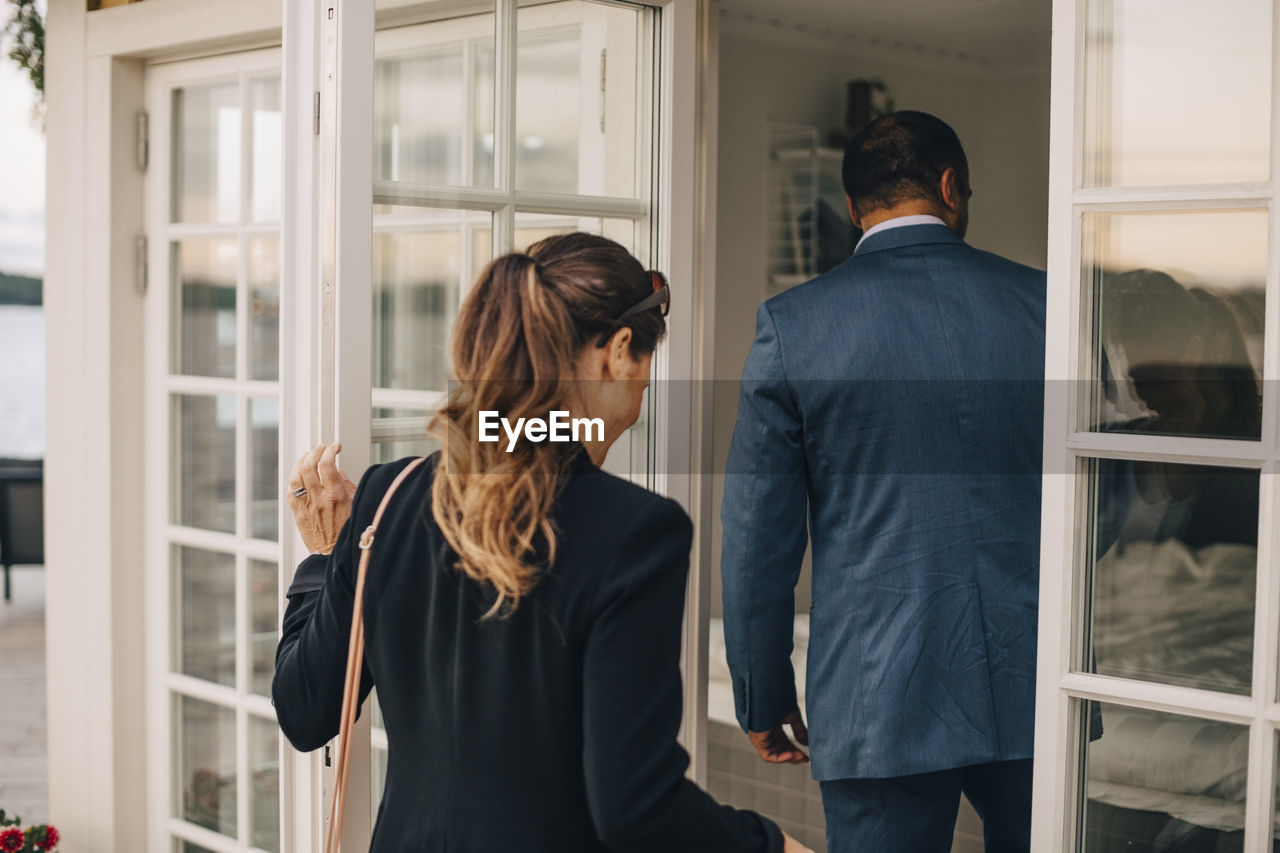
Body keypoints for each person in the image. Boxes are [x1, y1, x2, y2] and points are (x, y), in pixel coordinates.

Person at [273, 232, 812, 853]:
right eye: (645, 362)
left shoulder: (385, 498)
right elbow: (636, 808)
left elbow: (302, 709)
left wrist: (323, 560)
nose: (644, 386)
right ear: (617, 352)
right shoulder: (636, 530)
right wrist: (773, 847)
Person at [720, 111, 1046, 853]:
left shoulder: (793, 326)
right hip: (1035, 677)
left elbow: (755, 541)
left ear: (851, 207)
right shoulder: (1050, 307)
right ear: (950, 186)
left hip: (881, 693)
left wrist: (762, 693)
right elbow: (1105, 496)